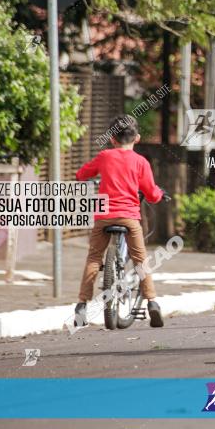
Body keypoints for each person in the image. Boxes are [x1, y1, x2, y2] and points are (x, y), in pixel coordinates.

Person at [73, 115, 165, 328]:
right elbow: (151, 193)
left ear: (112, 139)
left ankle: (81, 305)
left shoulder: (104, 156)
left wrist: (84, 177)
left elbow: (81, 174)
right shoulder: (141, 162)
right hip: (129, 217)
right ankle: (152, 304)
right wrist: (159, 194)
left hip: (103, 217)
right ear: (138, 138)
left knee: (94, 258)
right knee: (141, 260)